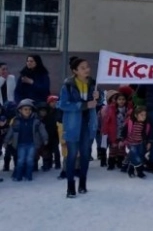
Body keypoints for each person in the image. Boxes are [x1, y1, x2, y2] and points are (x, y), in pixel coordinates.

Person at [58, 57, 100, 198]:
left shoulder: (93, 84)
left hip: (88, 124)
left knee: (85, 155)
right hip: (73, 124)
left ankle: (83, 183)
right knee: (71, 155)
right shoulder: (68, 85)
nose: (87, 69)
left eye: (87, 66)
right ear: (75, 71)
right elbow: (62, 104)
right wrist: (83, 105)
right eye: (83, 67)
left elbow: (98, 103)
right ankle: (70, 186)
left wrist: (98, 98)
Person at [5, 99, 48, 181]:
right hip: (20, 144)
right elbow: (11, 131)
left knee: (30, 160)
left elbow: (42, 130)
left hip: (32, 144)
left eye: (29, 109)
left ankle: (29, 175)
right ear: (20, 110)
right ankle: (18, 176)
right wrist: (6, 141)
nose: (27, 111)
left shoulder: (36, 121)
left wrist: (45, 138)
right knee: (20, 160)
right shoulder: (16, 121)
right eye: (25, 109)